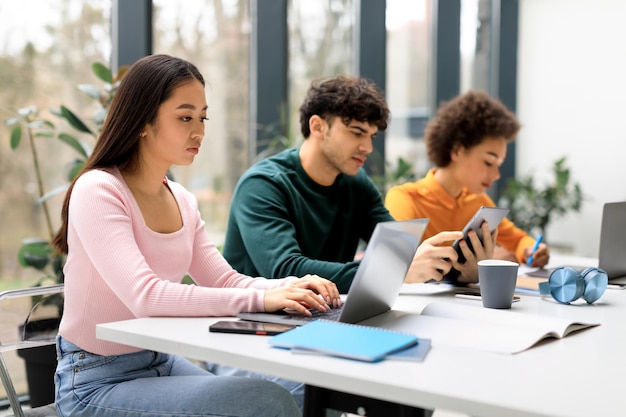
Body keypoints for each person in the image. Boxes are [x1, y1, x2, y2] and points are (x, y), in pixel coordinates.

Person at [50, 54, 342, 417]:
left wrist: (290, 287)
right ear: (143, 119)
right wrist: (262, 301)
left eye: (202, 117)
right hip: (96, 381)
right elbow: (146, 297)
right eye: (185, 117)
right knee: (266, 402)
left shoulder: (182, 200)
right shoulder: (99, 189)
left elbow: (225, 279)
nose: (199, 131)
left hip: (161, 362)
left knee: (305, 386)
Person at [222, 74, 466, 293]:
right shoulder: (263, 185)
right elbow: (286, 269)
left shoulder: (355, 182)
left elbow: (398, 249)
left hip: (321, 312)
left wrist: (461, 268)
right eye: (356, 133)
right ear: (317, 126)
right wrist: (393, 271)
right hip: (252, 321)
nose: (368, 148)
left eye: (371, 136)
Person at [385, 90, 550, 283]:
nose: (496, 175)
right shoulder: (405, 199)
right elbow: (397, 267)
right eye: (489, 162)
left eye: (499, 165)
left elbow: (519, 240)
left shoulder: (478, 202)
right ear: (456, 151)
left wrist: (532, 250)